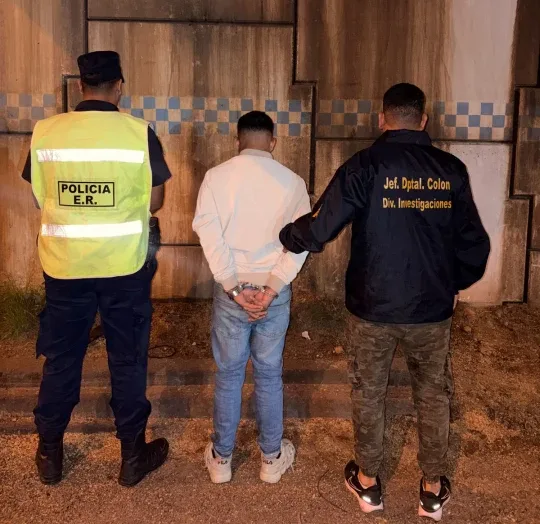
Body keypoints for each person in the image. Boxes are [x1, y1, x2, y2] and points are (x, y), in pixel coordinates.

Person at [280, 83, 490, 521]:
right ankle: (432, 490)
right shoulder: (450, 170)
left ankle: (369, 482)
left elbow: (320, 226)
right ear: (423, 120)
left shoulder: (364, 166)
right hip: (430, 309)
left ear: (382, 119)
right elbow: (474, 242)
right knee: (432, 395)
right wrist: (453, 284)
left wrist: (288, 236)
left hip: (372, 308)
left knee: (369, 393)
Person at [22, 51, 172, 487]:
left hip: (64, 267)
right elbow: (156, 201)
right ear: (119, 86)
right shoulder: (138, 132)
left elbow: (39, 197)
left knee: (62, 358)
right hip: (124, 268)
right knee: (127, 360)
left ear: (79, 86)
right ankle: (132, 456)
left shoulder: (46, 132)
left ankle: (50, 454)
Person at [193, 111, 310, 484]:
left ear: (237, 141)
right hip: (273, 293)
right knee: (269, 372)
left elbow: (209, 234)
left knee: (229, 374)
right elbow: (300, 243)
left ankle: (222, 460)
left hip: (233, 293)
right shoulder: (293, 183)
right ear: (272, 142)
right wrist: (272, 287)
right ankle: (271, 459)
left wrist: (233, 286)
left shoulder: (216, 178)